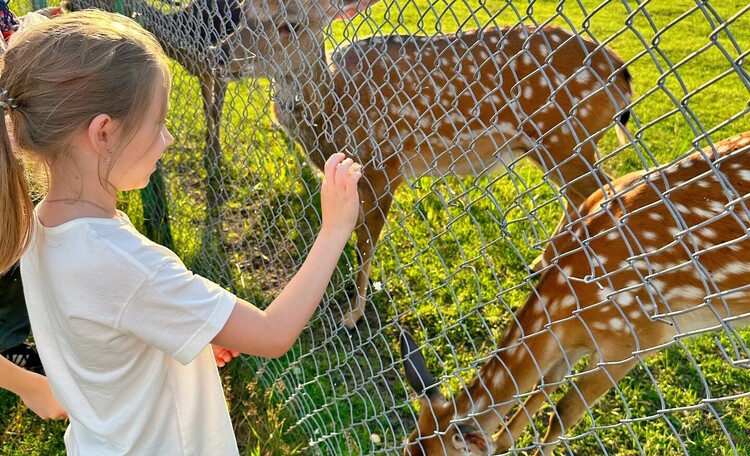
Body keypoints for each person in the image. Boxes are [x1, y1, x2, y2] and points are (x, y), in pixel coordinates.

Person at [0, 9, 362, 455]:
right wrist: (335, 228)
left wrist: (175, 346)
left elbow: (100, 343)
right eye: (159, 124)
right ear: (104, 133)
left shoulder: (38, 227)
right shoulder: (130, 266)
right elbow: (272, 334)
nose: (169, 139)